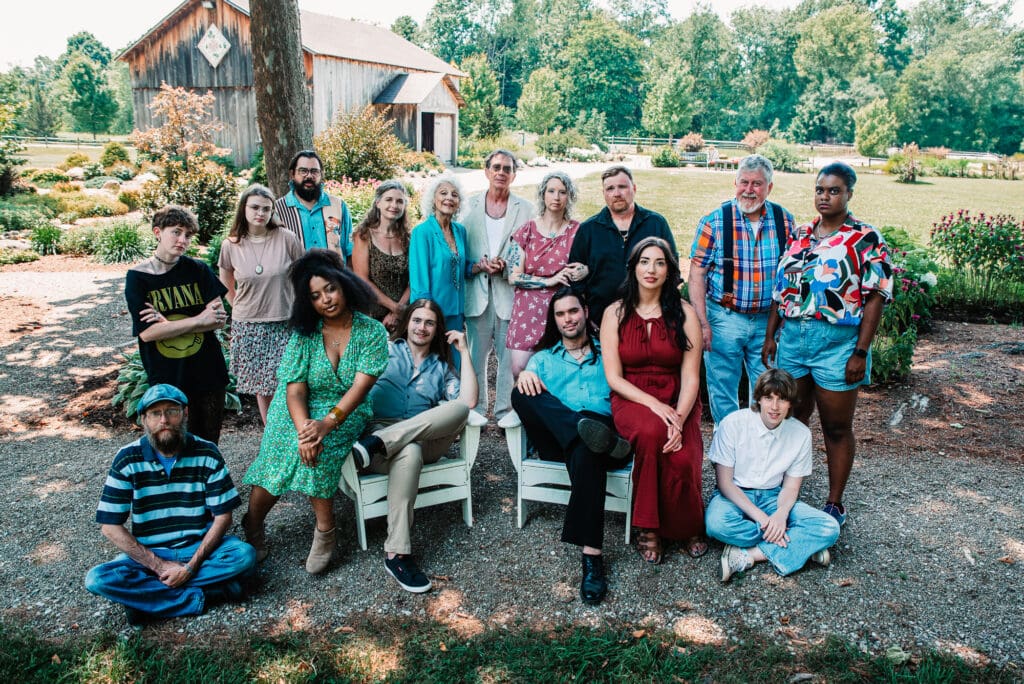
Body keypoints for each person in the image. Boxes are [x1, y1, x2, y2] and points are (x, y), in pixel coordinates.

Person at [762, 162, 892, 529]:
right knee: (789, 420)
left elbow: (875, 297)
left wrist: (860, 352)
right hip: (793, 339)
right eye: (820, 189)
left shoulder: (865, 237)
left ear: (849, 193)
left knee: (836, 427)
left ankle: (834, 502)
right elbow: (781, 288)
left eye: (834, 190)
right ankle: (782, 491)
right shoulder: (801, 234)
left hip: (836, 344)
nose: (825, 196)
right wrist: (771, 335)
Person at [241, 250, 388, 574]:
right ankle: (252, 524)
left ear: (344, 284)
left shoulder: (372, 332)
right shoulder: (305, 334)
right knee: (280, 454)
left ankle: (326, 530)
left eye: (330, 289)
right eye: (316, 296)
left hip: (345, 407)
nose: (326, 300)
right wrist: (305, 429)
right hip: (295, 406)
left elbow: (359, 388)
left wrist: (326, 425)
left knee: (318, 454)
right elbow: (295, 390)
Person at [84, 384, 256, 626]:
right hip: (151, 553)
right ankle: (207, 595)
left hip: (197, 548)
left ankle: (147, 603)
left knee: (244, 555)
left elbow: (223, 517)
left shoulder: (207, 452)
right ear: (143, 419)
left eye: (171, 411)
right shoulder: (126, 458)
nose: (164, 420)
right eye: (155, 413)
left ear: (185, 414)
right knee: (97, 579)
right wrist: (159, 565)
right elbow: (110, 526)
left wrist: (189, 568)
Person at [511, 288, 630, 605]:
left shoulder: (608, 354)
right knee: (521, 393)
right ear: (554, 319)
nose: (568, 319)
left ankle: (592, 558)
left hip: (600, 434)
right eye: (561, 314)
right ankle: (581, 432)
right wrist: (524, 378)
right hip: (557, 438)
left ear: (586, 312)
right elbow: (526, 389)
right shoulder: (544, 360)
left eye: (573, 311)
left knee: (589, 447)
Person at [350, 298, 478, 593]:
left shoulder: (442, 368)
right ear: (407, 322)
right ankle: (397, 555)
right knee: (409, 450)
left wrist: (464, 352)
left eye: (430, 322)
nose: (422, 327)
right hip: (383, 437)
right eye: (417, 320)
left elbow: (468, 401)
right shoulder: (383, 351)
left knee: (459, 410)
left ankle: (378, 443)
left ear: (437, 329)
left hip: (403, 442)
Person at [600, 237, 706, 563]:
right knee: (650, 434)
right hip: (632, 397)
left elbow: (691, 376)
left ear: (670, 271)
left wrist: (679, 416)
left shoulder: (685, 314)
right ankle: (648, 526)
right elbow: (614, 377)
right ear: (633, 267)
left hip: (678, 397)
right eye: (645, 261)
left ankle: (687, 524)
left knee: (685, 454)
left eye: (660, 263)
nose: (652, 269)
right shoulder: (614, 313)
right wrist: (655, 406)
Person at [688, 154, 797, 425]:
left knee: (766, 389)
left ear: (769, 187)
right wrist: (702, 323)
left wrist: (781, 323)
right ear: (735, 183)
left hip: (766, 322)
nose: (749, 190)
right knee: (722, 387)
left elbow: (792, 277)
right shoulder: (715, 220)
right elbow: (696, 275)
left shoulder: (785, 221)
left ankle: (758, 448)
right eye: (743, 182)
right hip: (724, 317)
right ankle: (728, 446)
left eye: (757, 184)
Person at [705, 369, 841, 582]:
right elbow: (724, 483)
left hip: (774, 497)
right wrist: (766, 521)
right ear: (758, 398)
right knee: (716, 523)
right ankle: (800, 545)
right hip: (735, 494)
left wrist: (781, 515)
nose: (775, 407)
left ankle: (749, 555)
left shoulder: (800, 434)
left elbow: (791, 487)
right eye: (769, 398)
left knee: (829, 527)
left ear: (790, 403)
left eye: (782, 399)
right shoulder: (732, 424)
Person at [125, 205, 228, 443]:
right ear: (158, 232)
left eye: (188, 235)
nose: (183, 240)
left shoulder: (198, 270)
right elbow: (148, 334)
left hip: (208, 372)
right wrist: (199, 320)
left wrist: (167, 325)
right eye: (177, 232)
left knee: (208, 444)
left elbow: (219, 318)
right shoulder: (138, 277)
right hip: (167, 376)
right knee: (170, 443)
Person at [219, 184, 304, 424]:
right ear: (243, 208)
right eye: (255, 207)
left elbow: (304, 273)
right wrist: (235, 304)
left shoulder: (286, 238)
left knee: (287, 381)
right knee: (262, 385)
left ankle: (290, 429)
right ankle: (270, 433)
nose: (261, 213)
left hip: (284, 320)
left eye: (266, 209)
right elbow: (225, 277)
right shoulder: (231, 244)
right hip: (249, 323)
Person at [462, 150, 534, 420]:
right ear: (487, 171)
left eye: (507, 168)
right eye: (496, 167)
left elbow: (530, 248)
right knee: (475, 356)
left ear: (514, 174)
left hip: (509, 292)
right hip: (476, 291)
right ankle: (476, 410)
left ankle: (505, 412)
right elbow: (458, 247)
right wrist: (477, 264)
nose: (501, 172)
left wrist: (509, 265)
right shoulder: (468, 206)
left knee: (507, 359)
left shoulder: (525, 209)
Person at [569, 166, 678, 324]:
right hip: (600, 321)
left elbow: (673, 269)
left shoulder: (655, 224)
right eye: (610, 188)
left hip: (650, 321)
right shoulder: (588, 229)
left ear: (633, 188)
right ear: (604, 194)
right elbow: (575, 280)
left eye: (622, 187)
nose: (617, 193)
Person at [504, 171, 587, 378]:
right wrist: (549, 280)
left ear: (570, 197)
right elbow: (513, 276)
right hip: (527, 311)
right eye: (551, 191)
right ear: (543, 195)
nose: (556, 197)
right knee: (520, 369)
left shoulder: (578, 230)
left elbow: (589, 264)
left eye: (562, 192)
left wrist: (584, 270)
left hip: (562, 310)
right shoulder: (527, 230)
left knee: (557, 372)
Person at [409, 175, 491, 359]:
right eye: (443, 193)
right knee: (432, 365)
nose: (449, 198)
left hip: (456, 312)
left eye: (454, 195)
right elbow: (419, 280)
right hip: (432, 313)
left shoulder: (460, 231)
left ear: (459, 202)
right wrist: (427, 316)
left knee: (454, 366)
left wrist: (479, 267)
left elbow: (460, 266)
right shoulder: (421, 232)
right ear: (433, 199)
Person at [351, 179, 411, 333]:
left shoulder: (409, 239)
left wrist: (398, 312)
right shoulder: (364, 235)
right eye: (388, 200)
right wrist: (394, 307)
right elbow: (361, 279)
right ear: (377, 203)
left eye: (400, 201)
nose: (394, 205)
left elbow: (414, 280)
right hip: (371, 314)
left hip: (402, 316)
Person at [274, 149, 353, 261]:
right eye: (303, 171)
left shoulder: (338, 206)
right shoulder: (278, 210)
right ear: (292, 174)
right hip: (295, 277)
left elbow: (350, 250)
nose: (309, 176)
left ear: (321, 174)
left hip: (335, 277)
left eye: (314, 171)